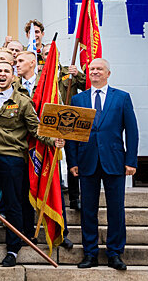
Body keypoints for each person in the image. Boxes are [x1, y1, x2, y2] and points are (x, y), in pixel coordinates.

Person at [0, 61, 63, 267]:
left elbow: (36, 129)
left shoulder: (22, 101)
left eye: (6, 71)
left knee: (13, 204)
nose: (2, 74)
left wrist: (52, 140)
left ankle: (13, 247)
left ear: (13, 76)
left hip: (12, 157)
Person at [66, 58, 138, 270]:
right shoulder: (78, 99)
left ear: (108, 73)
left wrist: (131, 160)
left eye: (99, 69)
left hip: (115, 161)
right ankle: (90, 253)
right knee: (88, 210)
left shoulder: (122, 98)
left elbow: (131, 131)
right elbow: (72, 135)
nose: (95, 72)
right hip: (86, 161)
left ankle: (115, 253)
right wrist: (73, 161)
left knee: (116, 209)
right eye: (92, 69)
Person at [42, 43, 85, 210]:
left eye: (52, 53)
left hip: (69, 120)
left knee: (73, 158)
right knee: (52, 159)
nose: (49, 56)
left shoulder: (68, 72)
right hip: (50, 122)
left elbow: (87, 86)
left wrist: (78, 75)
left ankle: (75, 198)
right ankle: (55, 194)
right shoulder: (40, 75)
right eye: (46, 54)